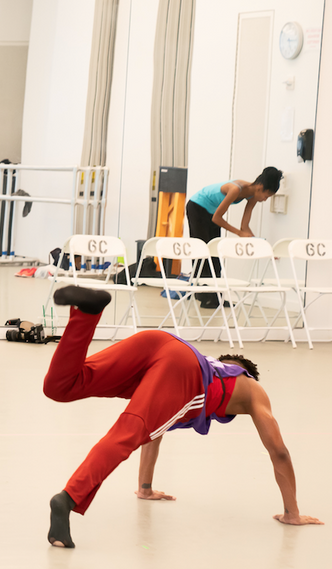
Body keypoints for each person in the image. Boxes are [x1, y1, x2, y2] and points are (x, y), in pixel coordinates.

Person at [44, 285, 323, 549]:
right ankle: (68, 499)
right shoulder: (251, 388)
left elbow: (155, 430)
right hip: (182, 365)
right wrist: (292, 512)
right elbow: (279, 452)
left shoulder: (193, 382)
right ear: (244, 371)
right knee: (128, 430)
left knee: (63, 385)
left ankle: (86, 313)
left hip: (157, 341)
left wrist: (145, 488)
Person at [186, 167, 282, 308]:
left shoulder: (252, 196)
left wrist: (264, 248)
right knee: (203, 253)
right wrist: (238, 233)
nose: (265, 200)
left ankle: (214, 298)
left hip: (211, 213)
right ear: (260, 187)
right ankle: (204, 296)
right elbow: (217, 218)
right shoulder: (235, 189)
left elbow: (245, 228)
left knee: (215, 255)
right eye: (266, 196)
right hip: (197, 207)